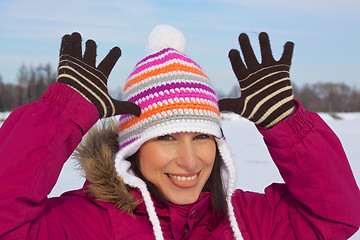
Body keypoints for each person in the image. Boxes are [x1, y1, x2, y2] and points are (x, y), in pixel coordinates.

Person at [0, 24, 359, 240]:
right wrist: (62, 113)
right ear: (132, 148)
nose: (190, 161)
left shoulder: (247, 222)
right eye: (166, 137)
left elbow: (335, 217)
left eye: (201, 136)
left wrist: (286, 122)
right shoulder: (85, 224)